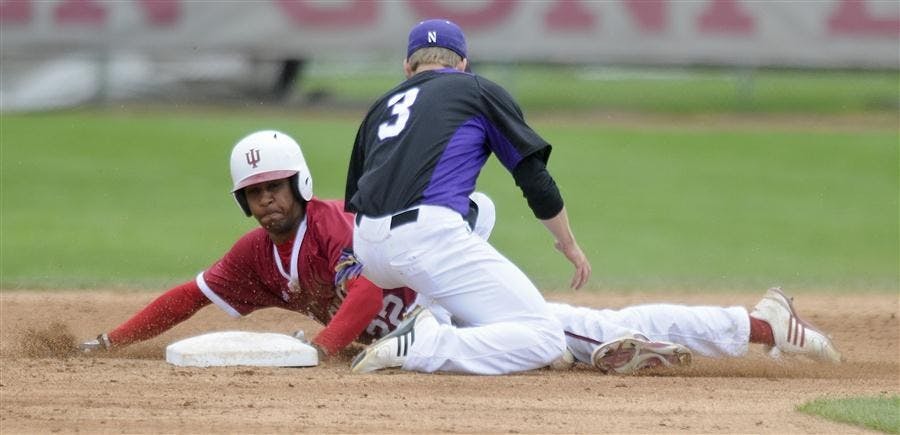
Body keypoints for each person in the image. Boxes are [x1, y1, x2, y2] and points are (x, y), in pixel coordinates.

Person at [343, 18, 584, 375]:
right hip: (424, 238)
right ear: (462, 64)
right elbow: (535, 179)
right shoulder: (476, 90)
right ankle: (428, 344)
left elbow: (357, 194)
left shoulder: (382, 105)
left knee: (480, 208)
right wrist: (567, 243)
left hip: (366, 245)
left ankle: (427, 316)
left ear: (408, 67)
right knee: (545, 338)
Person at [79, 130, 417, 358]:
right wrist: (110, 342)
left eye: (275, 187)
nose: (266, 199)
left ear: (300, 185)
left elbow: (369, 292)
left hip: (440, 313)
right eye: (254, 192)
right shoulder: (256, 253)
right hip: (400, 339)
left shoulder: (331, 226)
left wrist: (321, 351)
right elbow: (189, 298)